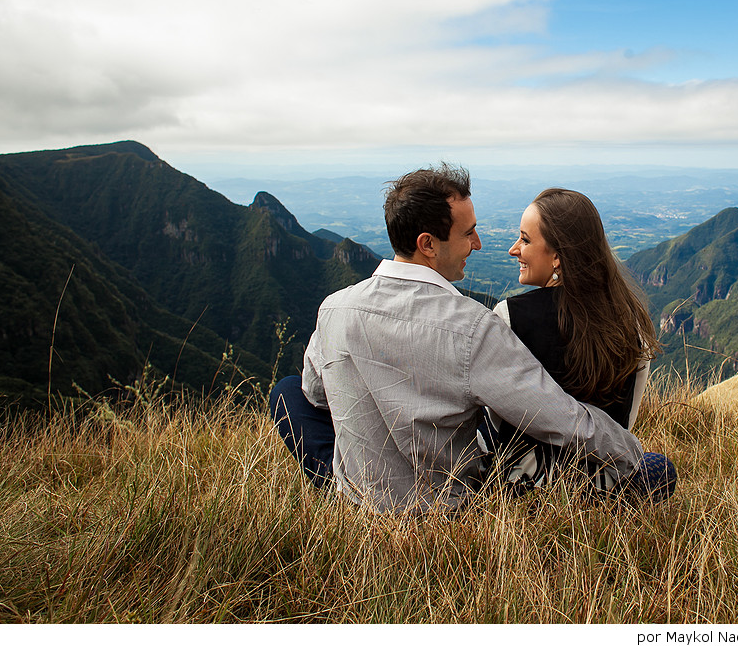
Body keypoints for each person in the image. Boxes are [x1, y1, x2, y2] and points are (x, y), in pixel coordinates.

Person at [269, 164, 675, 513]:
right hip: (441, 509)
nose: (478, 244)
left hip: (359, 496)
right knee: (660, 471)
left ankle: (345, 491)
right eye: (468, 234)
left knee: (286, 393)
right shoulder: (473, 327)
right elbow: (562, 419)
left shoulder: (334, 308)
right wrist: (634, 456)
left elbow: (316, 395)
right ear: (427, 244)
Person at [479, 188, 664, 493]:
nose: (514, 249)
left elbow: (494, 422)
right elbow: (624, 428)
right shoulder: (632, 322)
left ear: (557, 257)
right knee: (659, 468)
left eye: (525, 240)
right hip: (607, 484)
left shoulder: (509, 317)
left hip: (521, 488)